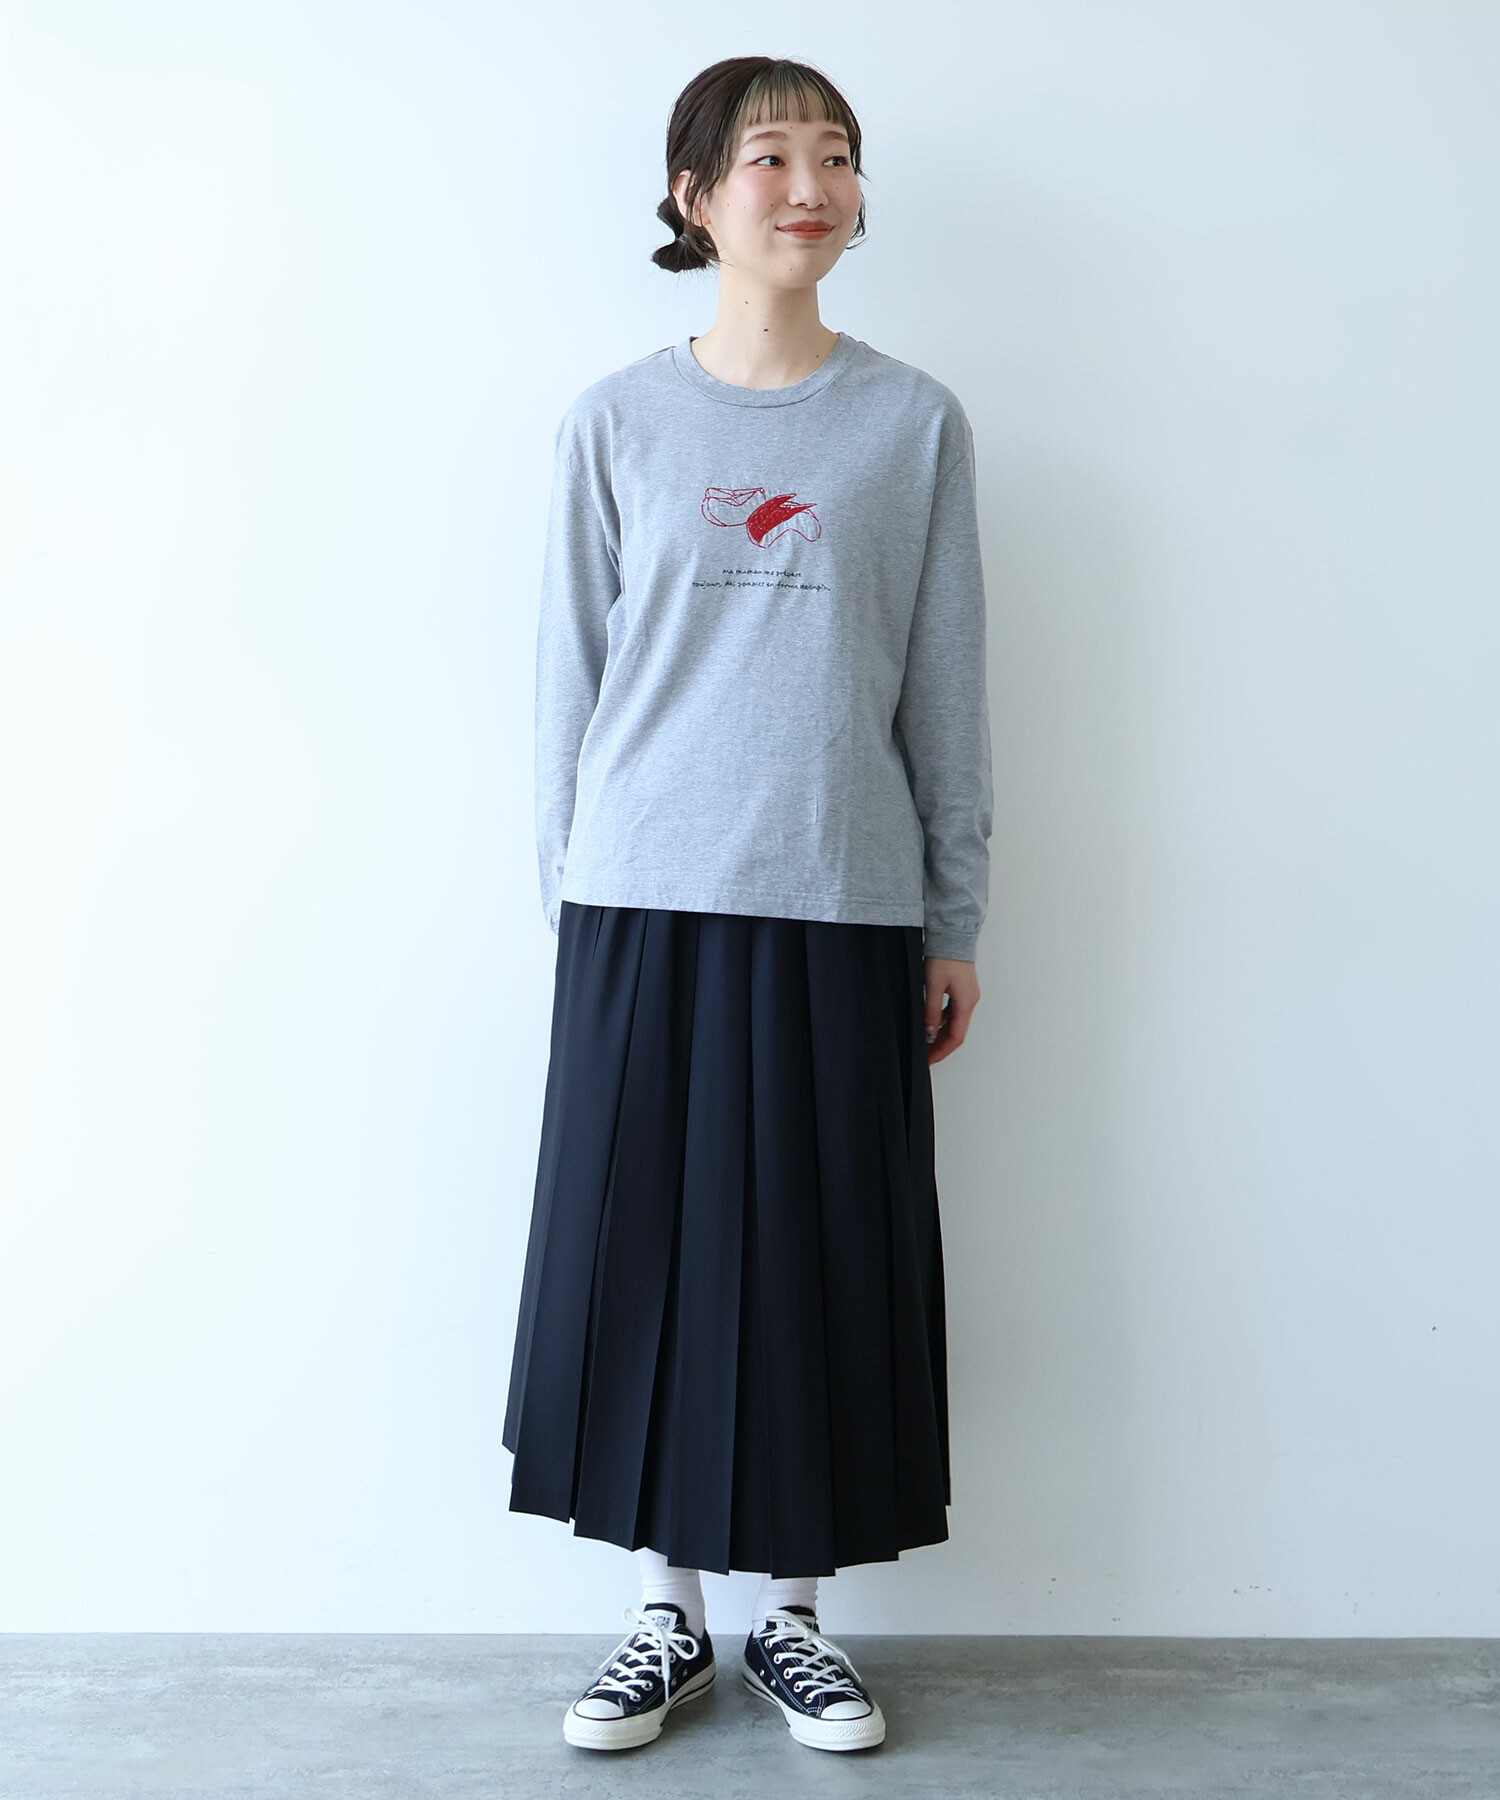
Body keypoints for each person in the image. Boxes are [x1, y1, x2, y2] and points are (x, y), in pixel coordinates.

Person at [501, 54, 994, 1755]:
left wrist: (953, 915)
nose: (810, 185)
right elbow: (568, 685)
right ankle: (666, 1617)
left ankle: (791, 1620)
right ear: (694, 197)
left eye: (836, 155)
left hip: (843, 897)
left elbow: (946, 687)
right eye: (770, 155)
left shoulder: (912, 424)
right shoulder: (615, 422)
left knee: (819, 1260)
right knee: (640, 1258)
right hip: (642, 897)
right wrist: (568, 898)